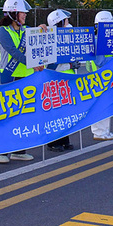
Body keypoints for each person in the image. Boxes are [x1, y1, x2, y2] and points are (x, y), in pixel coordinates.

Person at [0, 0, 40, 164]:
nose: (25, 16)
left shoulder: (24, 30)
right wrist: (33, 64)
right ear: (13, 14)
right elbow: (14, 52)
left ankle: (19, 150)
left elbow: (36, 38)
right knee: (8, 115)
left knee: (23, 115)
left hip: (24, 76)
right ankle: (0, 151)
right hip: (10, 76)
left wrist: (42, 29)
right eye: (22, 13)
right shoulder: (3, 31)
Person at [45, 9, 77, 152]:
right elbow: (51, 64)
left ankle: (65, 140)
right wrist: (68, 64)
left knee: (66, 111)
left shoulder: (69, 37)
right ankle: (53, 142)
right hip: (55, 79)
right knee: (55, 111)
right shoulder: (50, 40)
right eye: (65, 21)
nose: (68, 24)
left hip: (68, 79)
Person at [89, 11, 113, 141]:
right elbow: (100, 62)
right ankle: (99, 132)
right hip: (97, 77)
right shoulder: (97, 41)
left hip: (104, 76)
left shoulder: (104, 40)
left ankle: (105, 130)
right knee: (99, 105)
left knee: (106, 103)